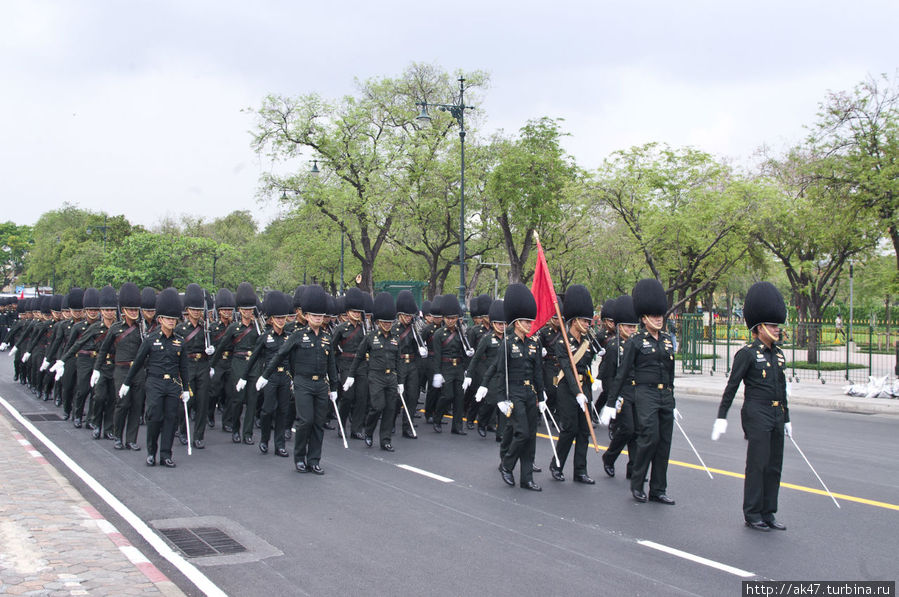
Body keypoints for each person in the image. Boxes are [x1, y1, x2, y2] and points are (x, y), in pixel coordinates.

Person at [712, 281, 790, 532]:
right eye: (772, 325)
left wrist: (786, 418)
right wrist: (721, 417)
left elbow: (782, 388)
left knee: (774, 465)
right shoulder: (747, 353)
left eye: (777, 325)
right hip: (757, 412)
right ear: (759, 327)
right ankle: (752, 512)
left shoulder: (778, 354)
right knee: (758, 464)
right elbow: (732, 386)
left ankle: (768, 511)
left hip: (776, 413)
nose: (777, 329)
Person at [607, 279, 677, 505]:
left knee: (664, 443)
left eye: (660, 314)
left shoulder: (667, 342)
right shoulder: (636, 342)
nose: (658, 318)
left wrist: (672, 401)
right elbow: (622, 373)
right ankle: (637, 484)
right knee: (649, 438)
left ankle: (658, 489)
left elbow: (670, 373)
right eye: (653, 314)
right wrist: (610, 403)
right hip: (644, 394)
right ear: (644, 317)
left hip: (664, 396)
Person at [259, 285, 338, 475]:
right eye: (314, 315)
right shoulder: (297, 335)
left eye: (321, 315)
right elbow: (279, 355)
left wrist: (334, 387)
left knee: (318, 423)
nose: (318, 318)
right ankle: (300, 457)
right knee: (305, 421)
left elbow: (331, 366)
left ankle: (314, 460)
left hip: (321, 384)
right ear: (307, 316)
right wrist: (265, 376)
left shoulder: (327, 338)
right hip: (302, 383)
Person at [479, 283, 545, 491]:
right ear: (516, 323)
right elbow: (499, 371)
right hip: (513, 392)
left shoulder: (534, 343)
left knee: (531, 437)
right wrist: (501, 399)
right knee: (522, 432)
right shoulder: (507, 343)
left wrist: (542, 397)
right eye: (526, 321)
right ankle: (507, 466)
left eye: (530, 320)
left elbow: (537, 373)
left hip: (529, 392)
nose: (529, 324)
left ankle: (526, 478)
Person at [120, 288, 190, 468]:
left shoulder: (180, 342)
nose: (171, 322)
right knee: (154, 417)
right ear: (160, 320)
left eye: (174, 319)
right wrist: (127, 383)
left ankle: (166, 454)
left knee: (170, 419)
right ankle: (151, 452)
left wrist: (185, 388)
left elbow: (184, 367)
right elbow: (138, 363)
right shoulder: (151, 340)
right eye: (168, 319)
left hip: (173, 383)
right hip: (155, 382)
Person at [549, 285, 597, 485]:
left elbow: (586, 366)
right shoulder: (562, 342)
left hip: (583, 387)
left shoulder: (588, 340)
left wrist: (588, 388)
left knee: (584, 430)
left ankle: (580, 470)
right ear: (574, 320)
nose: (587, 323)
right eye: (584, 320)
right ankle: (557, 465)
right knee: (569, 428)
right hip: (568, 389)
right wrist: (577, 392)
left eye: (588, 320)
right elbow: (568, 370)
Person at [344, 292, 400, 451]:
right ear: (378, 322)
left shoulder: (396, 337)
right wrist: (351, 376)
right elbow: (359, 357)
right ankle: (368, 431)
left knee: (390, 409)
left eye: (390, 322)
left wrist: (400, 380)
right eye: (384, 322)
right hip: (375, 376)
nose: (388, 324)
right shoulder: (370, 337)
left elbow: (399, 361)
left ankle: (385, 440)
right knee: (377, 406)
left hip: (392, 377)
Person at [211, 282, 262, 444]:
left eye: (250, 309)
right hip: (238, 364)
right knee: (238, 399)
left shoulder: (258, 327)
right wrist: (212, 364)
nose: (248, 312)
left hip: (254, 364)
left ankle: (247, 433)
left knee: (252, 400)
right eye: (245, 310)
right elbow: (222, 347)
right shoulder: (234, 327)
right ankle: (235, 428)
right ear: (239, 310)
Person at [97, 283, 144, 451]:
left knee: (137, 406)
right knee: (122, 404)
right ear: (123, 310)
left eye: (135, 309)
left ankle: (131, 439)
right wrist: (97, 369)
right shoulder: (116, 329)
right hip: (121, 370)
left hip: (138, 371)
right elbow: (103, 350)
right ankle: (118, 436)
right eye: (130, 309)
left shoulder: (142, 329)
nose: (133, 312)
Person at [246, 291, 292, 457]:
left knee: (283, 411)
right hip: (270, 377)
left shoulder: (289, 337)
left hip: (285, 377)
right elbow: (253, 358)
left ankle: (280, 445)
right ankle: (265, 439)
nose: (281, 321)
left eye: (283, 317)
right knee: (267, 410)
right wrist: (244, 377)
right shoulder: (265, 337)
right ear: (271, 319)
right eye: (278, 318)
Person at [599, 295, 639, 479]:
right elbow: (608, 377)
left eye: (634, 326)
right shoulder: (615, 347)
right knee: (628, 429)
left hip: (637, 392)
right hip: (621, 394)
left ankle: (634, 469)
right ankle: (610, 456)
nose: (632, 330)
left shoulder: (638, 345)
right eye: (629, 326)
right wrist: (611, 400)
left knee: (637, 431)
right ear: (620, 327)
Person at [175, 284, 214, 450]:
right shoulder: (180, 329)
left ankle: (199, 436)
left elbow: (214, 345)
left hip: (203, 365)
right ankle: (183, 431)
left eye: (199, 309)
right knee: (187, 401)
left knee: (203, 402)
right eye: (193, 309)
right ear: (187, 310)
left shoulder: (206, 327)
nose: (197, 312)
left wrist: (211, 352)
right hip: (188, 366)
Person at [467, 299, 505, 440]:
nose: (501, 327)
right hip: (490, 374)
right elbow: (476, 358)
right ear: (493, 323)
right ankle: (482, 422)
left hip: (505, 374)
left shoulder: (509, 338)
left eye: (504, 324)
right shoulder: (487, 339)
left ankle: (500, 433)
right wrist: (469, 374)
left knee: (504, 404)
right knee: (491, 402)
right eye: (499, 324)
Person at [432, 294, 469, 435]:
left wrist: (466, 369)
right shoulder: (438, 334)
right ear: (444, 318)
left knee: (459, 397)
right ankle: (437, 418)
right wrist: (437, 373)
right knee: (447, 396)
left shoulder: (461, 333)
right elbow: (437, 355)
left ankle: (457, 426)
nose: (451, 321)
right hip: (445, 367)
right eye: (448, 318)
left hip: (458, 368)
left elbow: (464, 352)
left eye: (453, 318)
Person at [393, 290, 427, 439]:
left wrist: (422, 349)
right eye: (405, 315)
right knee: (396, 397)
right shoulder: (394, 329)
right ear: (399, 315)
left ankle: (408, 426)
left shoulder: (415, 328)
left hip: (412, 363)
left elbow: (419, 344)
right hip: (399, 363)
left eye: (410, 315)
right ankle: (391, 422)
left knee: (413, 395)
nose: (408, 318)